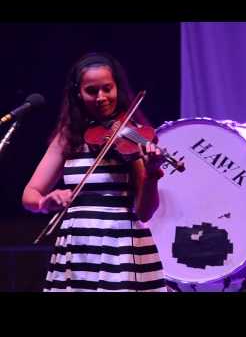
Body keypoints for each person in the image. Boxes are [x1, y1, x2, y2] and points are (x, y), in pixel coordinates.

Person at [22, 53, 167, 292]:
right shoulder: (67, 138)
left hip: (120, 247)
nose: (101, 98)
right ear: (78, 94)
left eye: (107, 89)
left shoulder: (134, 136)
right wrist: (45, 201)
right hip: (78, 247)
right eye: (92, 91)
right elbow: (30, 194)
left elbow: (144, 212)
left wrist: (152, 173)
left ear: (117, 88)